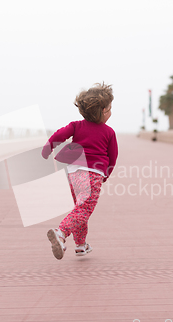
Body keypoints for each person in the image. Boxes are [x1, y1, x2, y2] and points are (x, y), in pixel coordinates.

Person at [41, 83, 118, 260]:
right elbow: (112, 157)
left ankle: (81, 245)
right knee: (84, 210)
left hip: (73, 174)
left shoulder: (76, 126)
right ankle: (60, 233)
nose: (111, 112)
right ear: (103, 111)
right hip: (92, 175)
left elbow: (58, 136)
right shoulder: (109, 132)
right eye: (110, 108)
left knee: (80, 209)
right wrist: (106, 174)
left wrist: (47, 149)